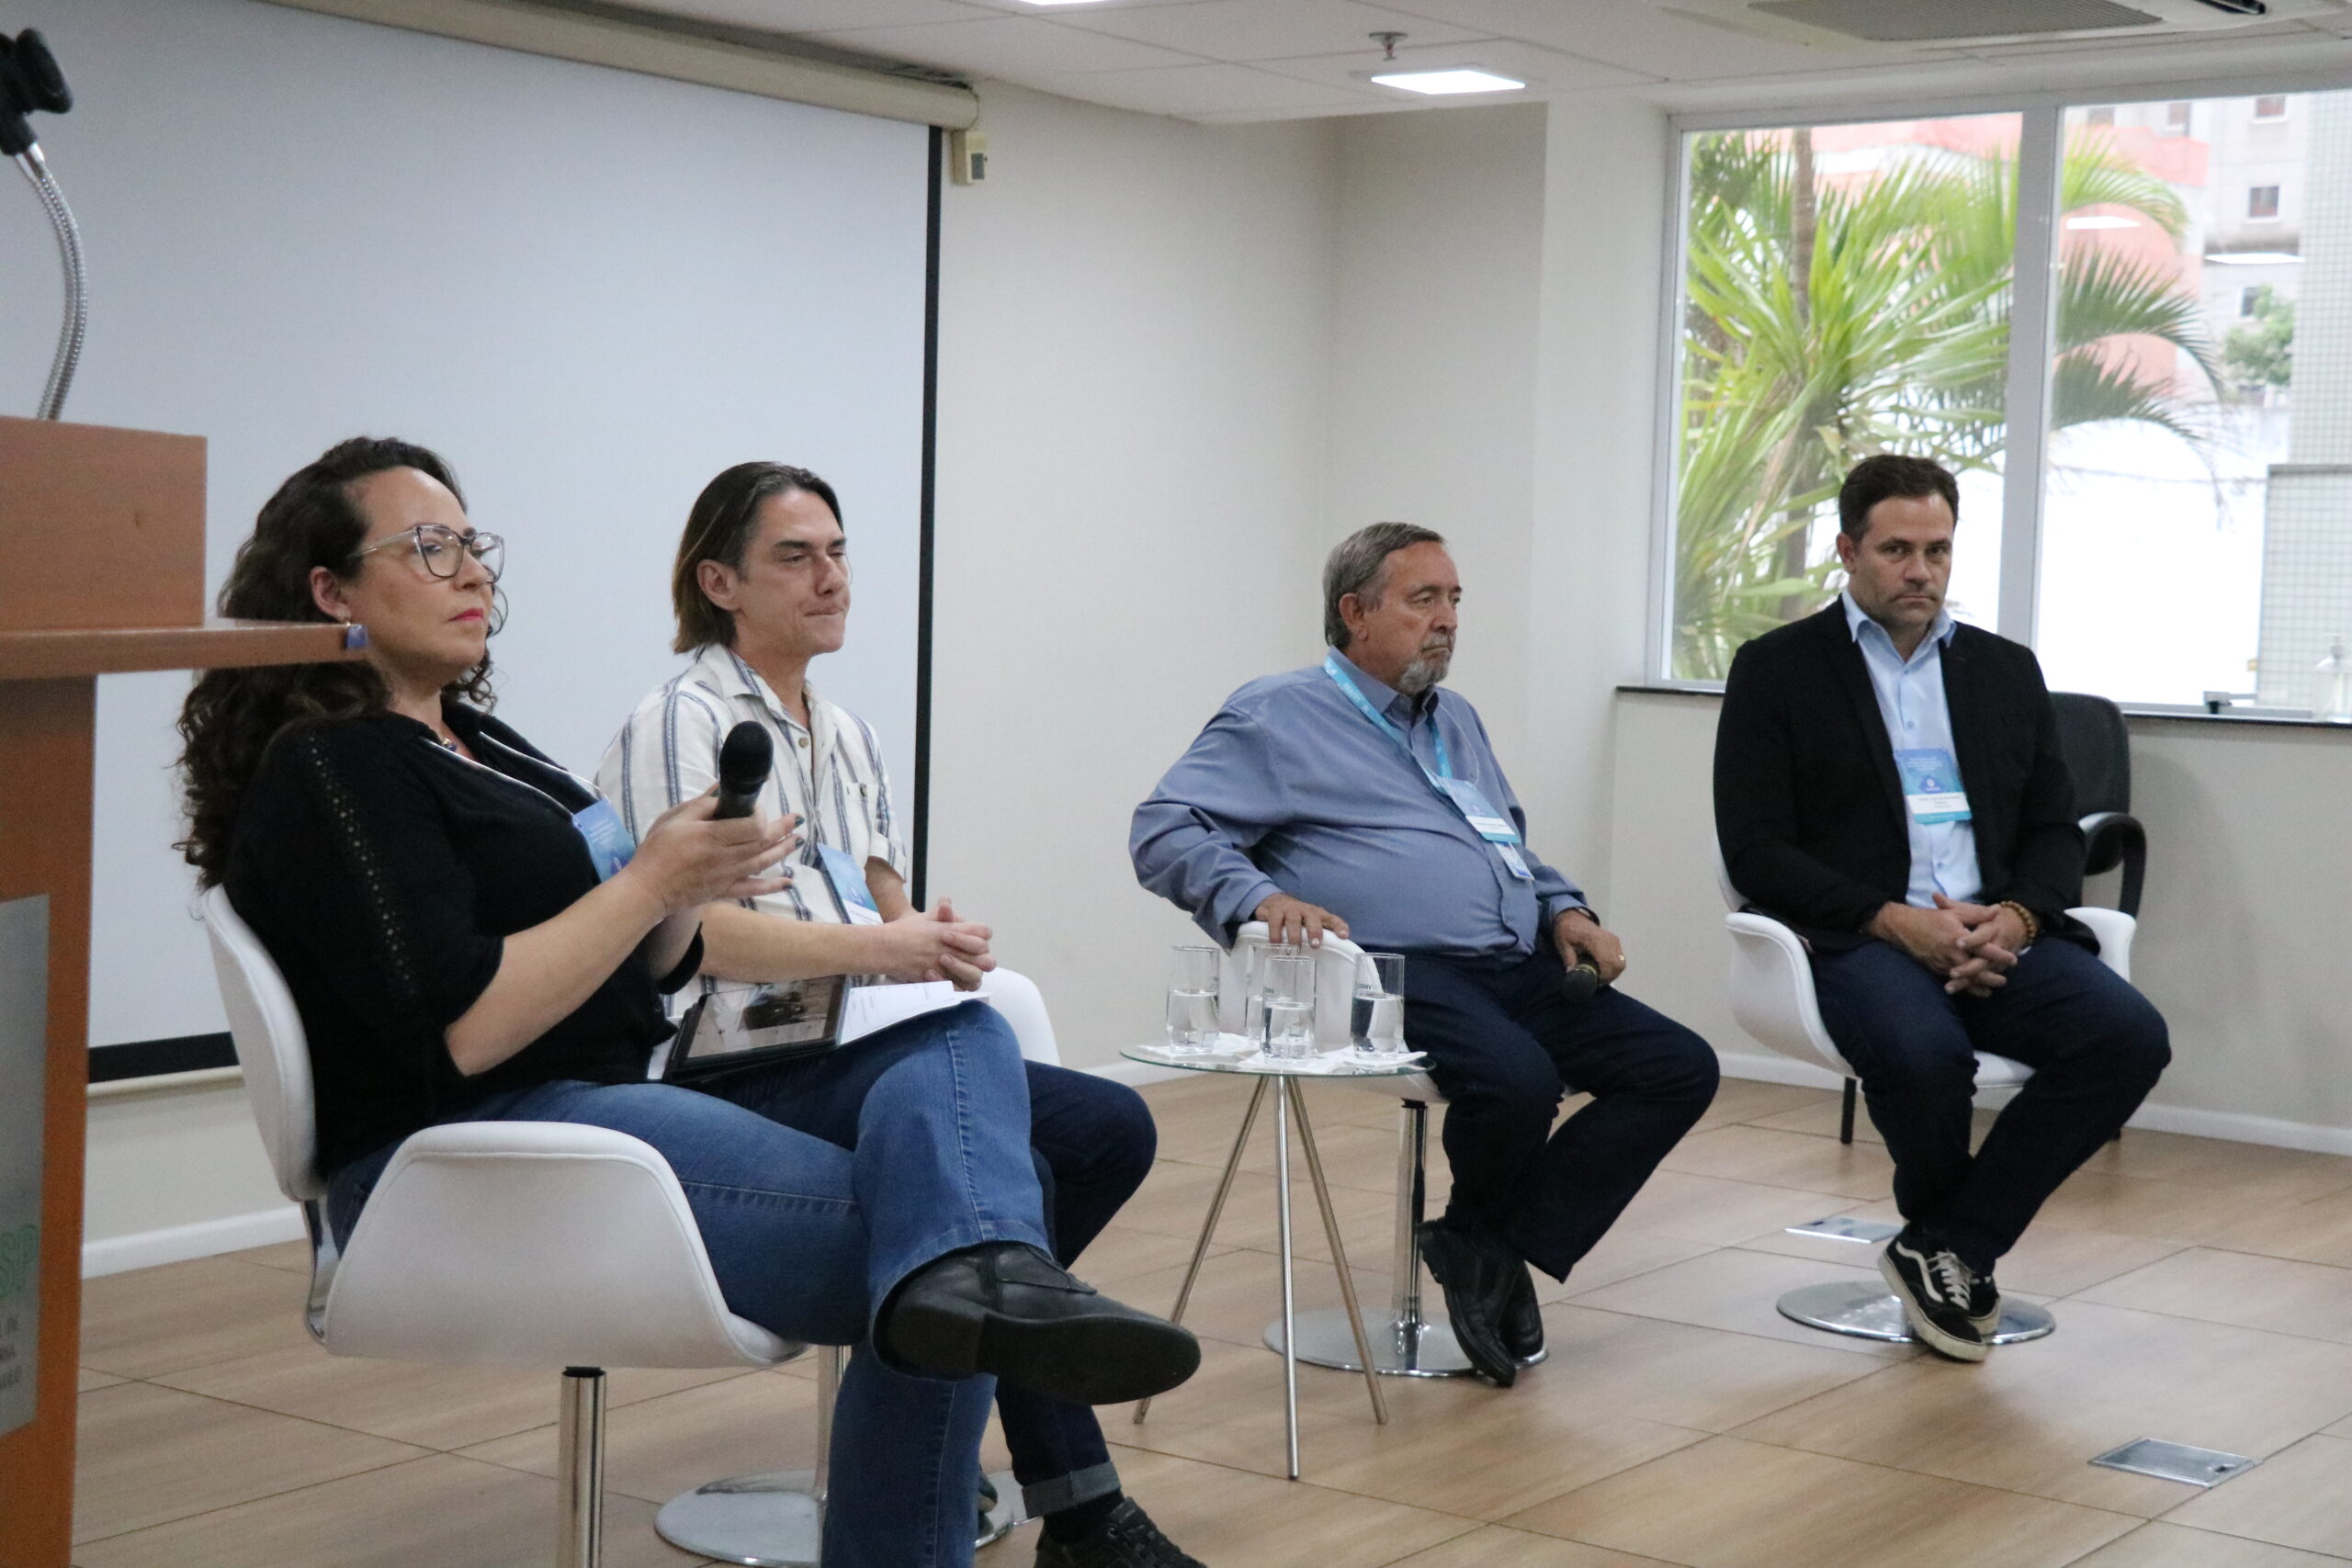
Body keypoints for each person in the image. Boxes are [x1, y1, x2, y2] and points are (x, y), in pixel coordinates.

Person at [176, 437, 1197, 1568]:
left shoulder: (484, 743)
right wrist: (656, 883)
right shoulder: (334, 765)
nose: (473, 572)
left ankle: (991, 1368)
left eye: (474, 544)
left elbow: (647, 958)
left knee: (961, 1046)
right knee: (936, 1252)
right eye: (430, 548)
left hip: (604, 1093)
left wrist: (679, 882)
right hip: (477, 1144)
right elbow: (467, 1030)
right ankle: (997, 1466)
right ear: (330, 591)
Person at [598, 461, 1202, 1568]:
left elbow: (875, 889)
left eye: (837, 552)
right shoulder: (677, 721)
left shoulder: (849, 733)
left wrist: (931, 935)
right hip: (727, 1064)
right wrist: (889, 948)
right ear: (719, 580)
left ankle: (965, 1326)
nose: (830, 577)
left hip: (848, 1045)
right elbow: (691, 934)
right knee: (989, 1183)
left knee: (1101, 1132)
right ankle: (1077, 1506)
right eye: (796, 556)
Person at [1130, 522, 1720, 1389]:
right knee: (1517, 1079)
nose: (1446, 620)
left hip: (1514, 961)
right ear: (1355, 613)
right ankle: (1485, 1244)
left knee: (1679, 1065)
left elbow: (1504, 844)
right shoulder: (1278, 713)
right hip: (1389, 966)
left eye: (1454, 601)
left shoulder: (1456, 719)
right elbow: (1165, 826)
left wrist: (1567, 907)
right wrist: (1260, 897)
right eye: (1423, 600)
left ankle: (1486, 1240)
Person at [1713, 453, 2170, 1362]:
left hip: (1995, 932)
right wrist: (1893, 921)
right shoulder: (1777, 670)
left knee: (2127, 1038)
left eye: (1937, 550)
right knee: (1925, 1055)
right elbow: (1756, 849)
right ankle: (1950, 1249)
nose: (1919, 571)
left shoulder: (2003, 671)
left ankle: (1948, 1245)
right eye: (1894, 549)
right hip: (1856, 938)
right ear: (1847, 551)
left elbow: (2051, 830)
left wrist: (2019, 919)